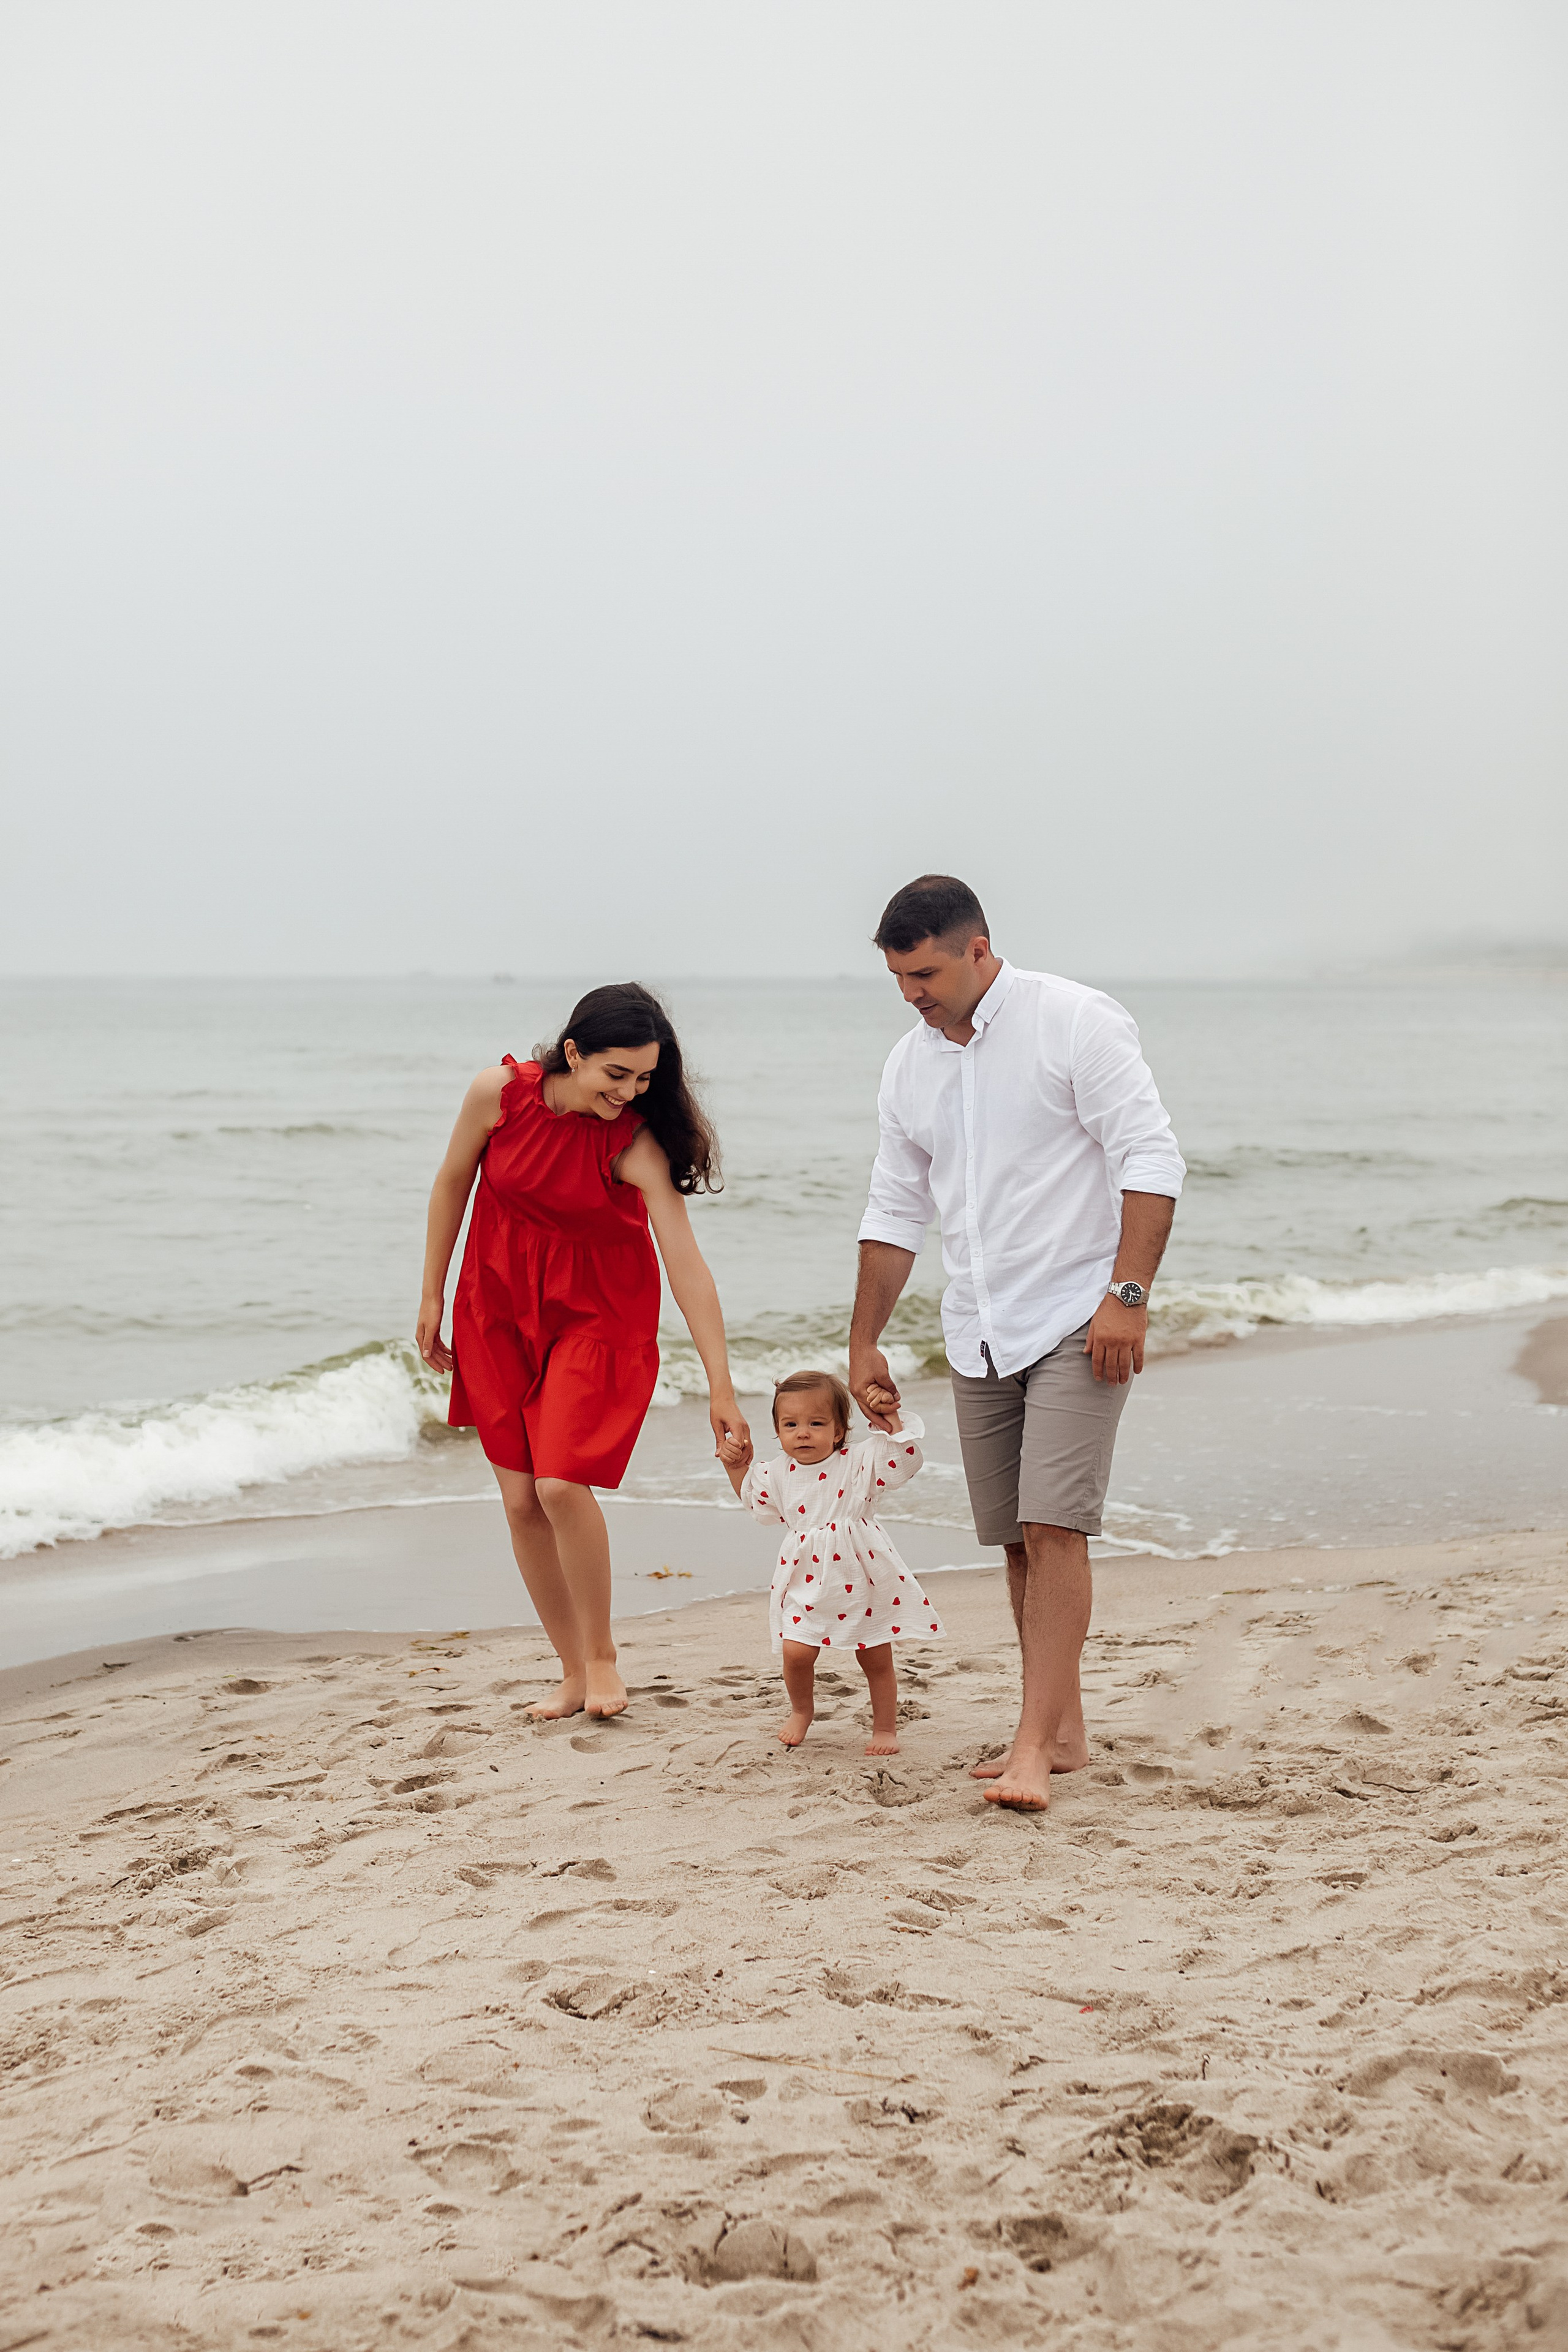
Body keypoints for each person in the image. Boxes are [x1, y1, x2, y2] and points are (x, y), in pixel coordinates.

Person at [848, 875, 1185, 1811]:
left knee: (1054, 1525)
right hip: (981, 1330)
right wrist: (863, 1342)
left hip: (1080, 1312)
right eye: (898, 977)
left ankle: (1033, 1747)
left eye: (925, 972)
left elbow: (1150, 1159)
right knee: (1014, 1544)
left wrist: (1128, 1296)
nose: (913, 993)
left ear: (979, 949)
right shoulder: (909, 1065)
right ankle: (1064, 1728)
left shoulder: (1075, 1021)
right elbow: (895, 1207)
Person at [416, 983, 750, 1723]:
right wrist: (432, 1293)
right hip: (496, 1306)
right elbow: (450, 1185)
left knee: (561, 1485)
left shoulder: (632, 1143)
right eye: (616, 1075)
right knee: (520, 1500)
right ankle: (570, 1672)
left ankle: (602, 1660)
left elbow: (686, 1267)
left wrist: (720, 1386)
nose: (630, 1092)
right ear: (573, 1052)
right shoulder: (497, 1095)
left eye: (645, 1080)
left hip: (597, 1316)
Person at [717, 1369, 946, 1754]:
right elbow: (755, 1502)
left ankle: (886, 1728)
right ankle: (802, 1710)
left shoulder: (858, 1460)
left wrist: (890, 1424)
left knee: (874, 1656)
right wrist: (735, 1465)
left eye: (816, 1423)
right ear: (777, 1431)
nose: (802, 1433)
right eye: (790, 1425)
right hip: (805, 1576)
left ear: (839, 1431)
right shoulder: (775, 1472)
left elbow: (902, 1463)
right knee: (796, 1651)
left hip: (861, 1573)